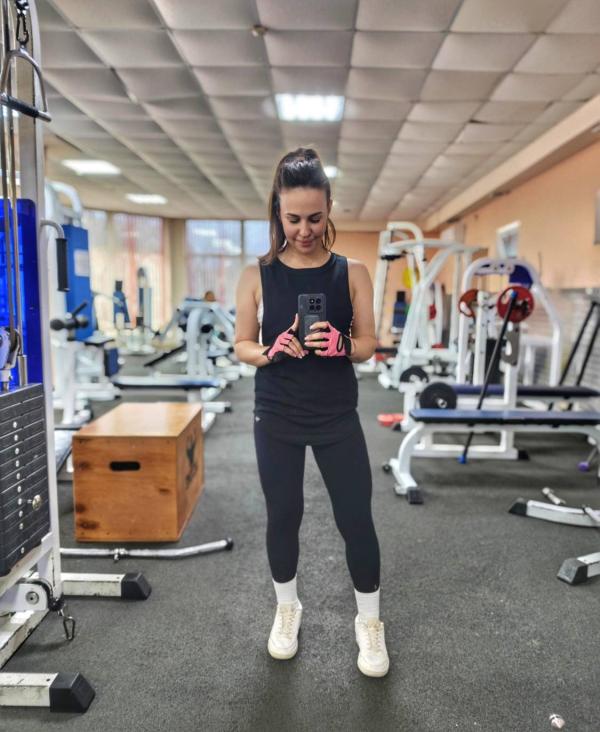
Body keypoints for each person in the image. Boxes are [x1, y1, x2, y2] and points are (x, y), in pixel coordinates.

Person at [234, 148, 389, 678]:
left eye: (315, 218)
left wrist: (343, 345)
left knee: (355, 518)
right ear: (277, 213)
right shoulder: (256, 274)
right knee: (284, 515)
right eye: (293, 218)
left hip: (335, 414)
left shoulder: (353, 272)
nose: (304, 230)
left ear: (329, 211)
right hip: (276, 412)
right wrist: (271, 349)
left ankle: (369, 620)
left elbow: (368, 343)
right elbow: (241, 345)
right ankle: (287, 608)